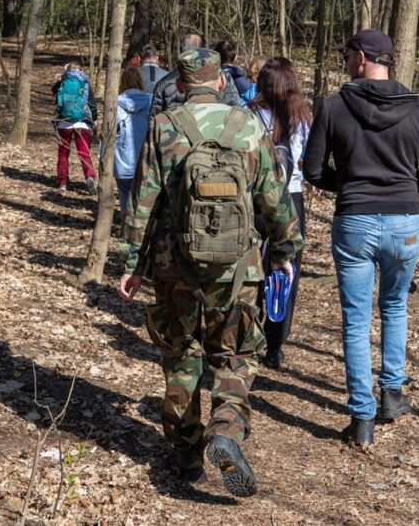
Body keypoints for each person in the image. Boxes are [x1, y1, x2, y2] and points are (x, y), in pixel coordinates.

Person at [119, 48, 304, 497]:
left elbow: (143, 200)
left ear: (181, 84)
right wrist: (283, 250)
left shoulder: (164, 126)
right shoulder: (248, 126)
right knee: (235, 354)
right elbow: (274, 197)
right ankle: (227, 429)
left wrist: (133, 263)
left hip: (174, 265)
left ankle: (186, 456)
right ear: (221, 81)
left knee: (181, 356)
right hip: (238, 267)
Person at [303, 29, 419, 447]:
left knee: (356, 318)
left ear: (363, 57)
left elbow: (313, 170)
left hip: (355, 221)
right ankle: (391, 393)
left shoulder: (334, 106)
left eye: (347, 54)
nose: (345, 61)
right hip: (404, 223)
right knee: (395, 306)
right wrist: (402, 188)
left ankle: (362, 418)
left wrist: (351, 184)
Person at [247, 57, 311, 369]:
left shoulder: (248, 115)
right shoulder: (303, 116)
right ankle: (275, 345)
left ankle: (248, 333)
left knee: (250, 269)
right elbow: (309, 158)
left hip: (255, 200)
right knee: (286, 272)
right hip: (291, 198)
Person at [149, 32, 242, 116]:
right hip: (217, 128)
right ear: (205, 51)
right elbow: (236, 113)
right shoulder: (221, 77)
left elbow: (155, 122)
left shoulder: (164, 83)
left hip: (176, 129)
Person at [53, 63, 99, 194]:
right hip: (82, 122)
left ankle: (63, 181)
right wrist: (94, 120)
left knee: (63, 152)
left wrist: (63, 76)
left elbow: (54, 93)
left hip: (64, 122)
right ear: (80, 70)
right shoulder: (85, 83)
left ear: (67, 69)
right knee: (84, 152)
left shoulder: (63, 82)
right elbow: (92, 103)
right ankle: (90, 176)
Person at [114, 66, 151, 215]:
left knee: (124, 196)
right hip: (145, 160)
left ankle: (125, 223)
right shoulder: (150, 100)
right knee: (142, 199)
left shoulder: (115, 103)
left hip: (122, 159)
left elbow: (111, 131)